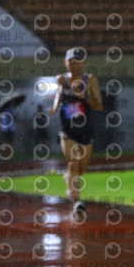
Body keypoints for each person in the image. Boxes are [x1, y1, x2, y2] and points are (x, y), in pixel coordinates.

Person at [49, 47, 103, 214]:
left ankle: (69, 178)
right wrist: (54, 106)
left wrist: (84, 97)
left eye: (77, 61)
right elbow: (59, 95)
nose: (74, 64)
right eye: (71, 61)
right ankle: (77, 201)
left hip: (85, 130)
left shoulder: (90, 80)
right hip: (67, 130)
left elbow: (99, 106)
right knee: (73, 163)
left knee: (81, 167)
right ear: (65, 62)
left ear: (83, 63)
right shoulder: (61, 79)